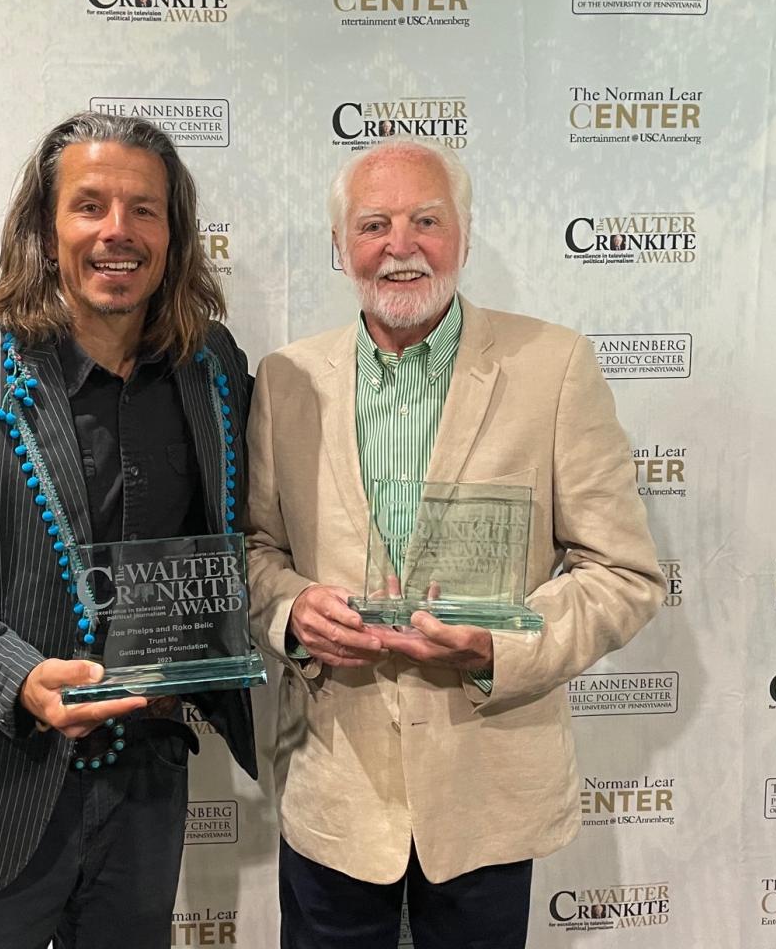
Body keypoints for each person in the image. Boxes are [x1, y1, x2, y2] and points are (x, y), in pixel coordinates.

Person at [245, 139, 664, 949]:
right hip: (337, 791)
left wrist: (500, 648)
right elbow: (257, 549)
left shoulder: (555, 367)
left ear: (464, 237)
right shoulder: (286, 378)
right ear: (341, 248)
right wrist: (295, 611)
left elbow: (624, 573)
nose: (401, 246)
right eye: (374, 224)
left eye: (426, 220)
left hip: (490, 792)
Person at [0, 111, 256, 949]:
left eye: (144, 209)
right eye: (90, 206)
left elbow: (239, 534)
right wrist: (21, 678)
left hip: (144, 796)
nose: (118, 231)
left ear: (173, 233)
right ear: (46, 230)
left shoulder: (212, 367)